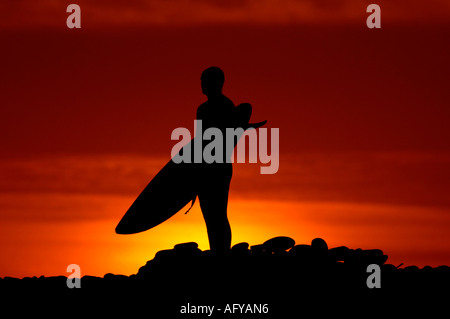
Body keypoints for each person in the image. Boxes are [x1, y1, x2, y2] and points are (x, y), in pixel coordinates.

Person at [195, 67, 235, 255]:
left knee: (218, 213)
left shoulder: (226, 106)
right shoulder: (202, 109)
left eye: (205, 80)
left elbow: (229, 139)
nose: (202, 84)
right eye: (201, 80)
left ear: (217, 82)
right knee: (208, 213)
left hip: (219, 168)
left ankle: (222, 254)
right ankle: (216, 251)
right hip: (203, 168)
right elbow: (199, 140)